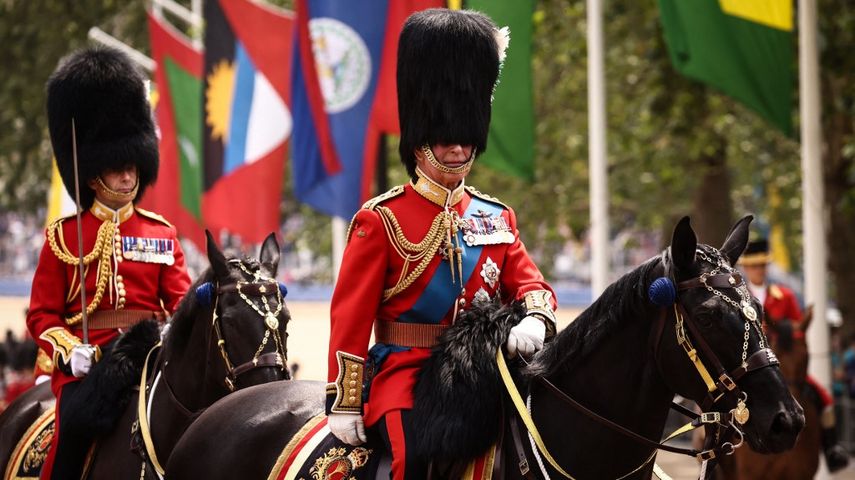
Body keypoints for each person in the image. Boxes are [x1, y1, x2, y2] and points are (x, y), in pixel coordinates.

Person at [325, 9, 557, 478]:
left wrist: (533, 320)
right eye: (446, 138)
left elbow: (534, 287)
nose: (457, 148)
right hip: (406, 375)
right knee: (412, 460)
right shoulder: (380, 219)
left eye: (465, 138)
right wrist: (345, 399)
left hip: (486, 372)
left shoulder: (496, 217)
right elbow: (350, 318)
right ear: (418, 141)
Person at [27, 47, 191, 479]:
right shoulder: (63, 236)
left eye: (132, 166)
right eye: (117, 168)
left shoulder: (161, 233)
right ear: (93, 172)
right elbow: (42, 315)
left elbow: (180, 302)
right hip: (91, 365)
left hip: (150, 359)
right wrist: (68, 351)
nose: (127, 177)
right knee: (73, 434)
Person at [740, 239, 849, 472]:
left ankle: (832, 449)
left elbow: (798, 330)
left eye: (762, 265)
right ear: (746, 267)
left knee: (824, 398)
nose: (758, 270)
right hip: (748, 365)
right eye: (754, 266)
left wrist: (790, 333)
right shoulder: (739, 296)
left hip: (783, 363)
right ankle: (711, 451)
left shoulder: (785, 295)